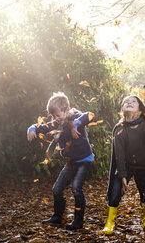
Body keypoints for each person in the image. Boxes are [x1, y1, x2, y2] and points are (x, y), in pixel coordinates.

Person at [27, 92, 95, 230]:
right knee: (57, 189)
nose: (56, 119)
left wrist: (76, 124)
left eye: (58, 115)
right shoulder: (57, 123)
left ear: (67, 110)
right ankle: (58, 216)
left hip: (84, 160)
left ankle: (78, 221)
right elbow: (40, 126)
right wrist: (31, 129)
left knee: (76, 188)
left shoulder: (76, 117)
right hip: (71, 162)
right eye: (54, 116)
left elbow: (90, 115)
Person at [102, 95, 145, 235]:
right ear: (122, 108)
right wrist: (123, 175)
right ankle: (109, 222)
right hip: (125, 166)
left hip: (143, 167)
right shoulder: (119, 128)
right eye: (126, 102)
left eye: (133, 101)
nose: (129, 103)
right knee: (115, 191)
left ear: (140, 108)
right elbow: (119, 155)